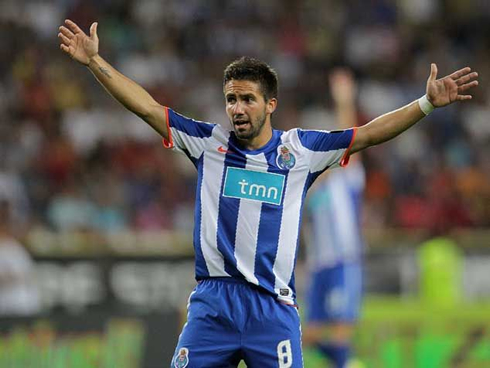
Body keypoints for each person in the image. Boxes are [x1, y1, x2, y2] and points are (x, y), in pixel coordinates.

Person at [58, 19, 478, 367]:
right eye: (230, 100)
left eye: (247, 99)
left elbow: (367, 134)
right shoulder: (207, 143)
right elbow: (147, 107)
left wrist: (425, 103)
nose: (237, 109)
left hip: (272, 309)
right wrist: (94, 61)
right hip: (213, 303)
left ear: (270, 104)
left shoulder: (302, 151)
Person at [301, 69, 364, 368]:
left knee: (340, 333)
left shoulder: (347, 178)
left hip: (342, 260)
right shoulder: (310, 189)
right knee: (308, 335)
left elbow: (351, 138)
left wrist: (344, 99)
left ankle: (347, 362)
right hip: (318, 265)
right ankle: (348, 362)